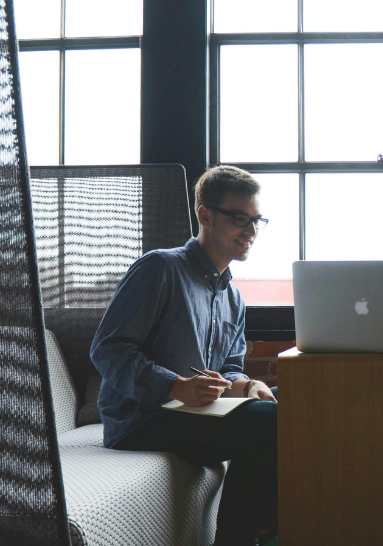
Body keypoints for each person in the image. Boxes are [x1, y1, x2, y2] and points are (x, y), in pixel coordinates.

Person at [90, 164, 278, 546]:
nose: (252, 231)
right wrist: (175, 386)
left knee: (291, 414)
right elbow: (108, 349)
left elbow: (227, 367)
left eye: (258, 220)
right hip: (140, 419)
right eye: (240, 218)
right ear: (205, 215)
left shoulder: (233, 298)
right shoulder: (160, 267)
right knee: (269, 424)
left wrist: (244, 384)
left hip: (192, 416)